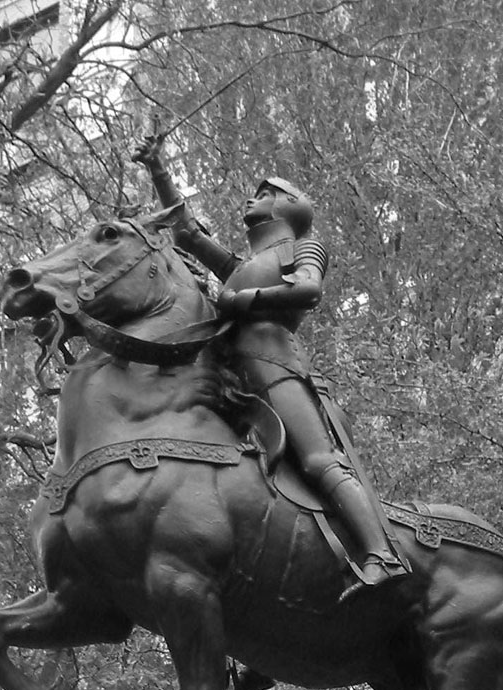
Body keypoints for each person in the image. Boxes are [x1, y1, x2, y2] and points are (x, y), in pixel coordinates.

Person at [136, 135, 406, 592]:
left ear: (288, 205)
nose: (250, 197)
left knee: (320, 461)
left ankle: (382, 556)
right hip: (230, 378)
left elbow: (309, 290)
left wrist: (245, 299)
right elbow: (187, 232)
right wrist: (159, 169)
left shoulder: (301, 247)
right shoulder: (244, 263)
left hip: (276, 366)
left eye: (263, 194)